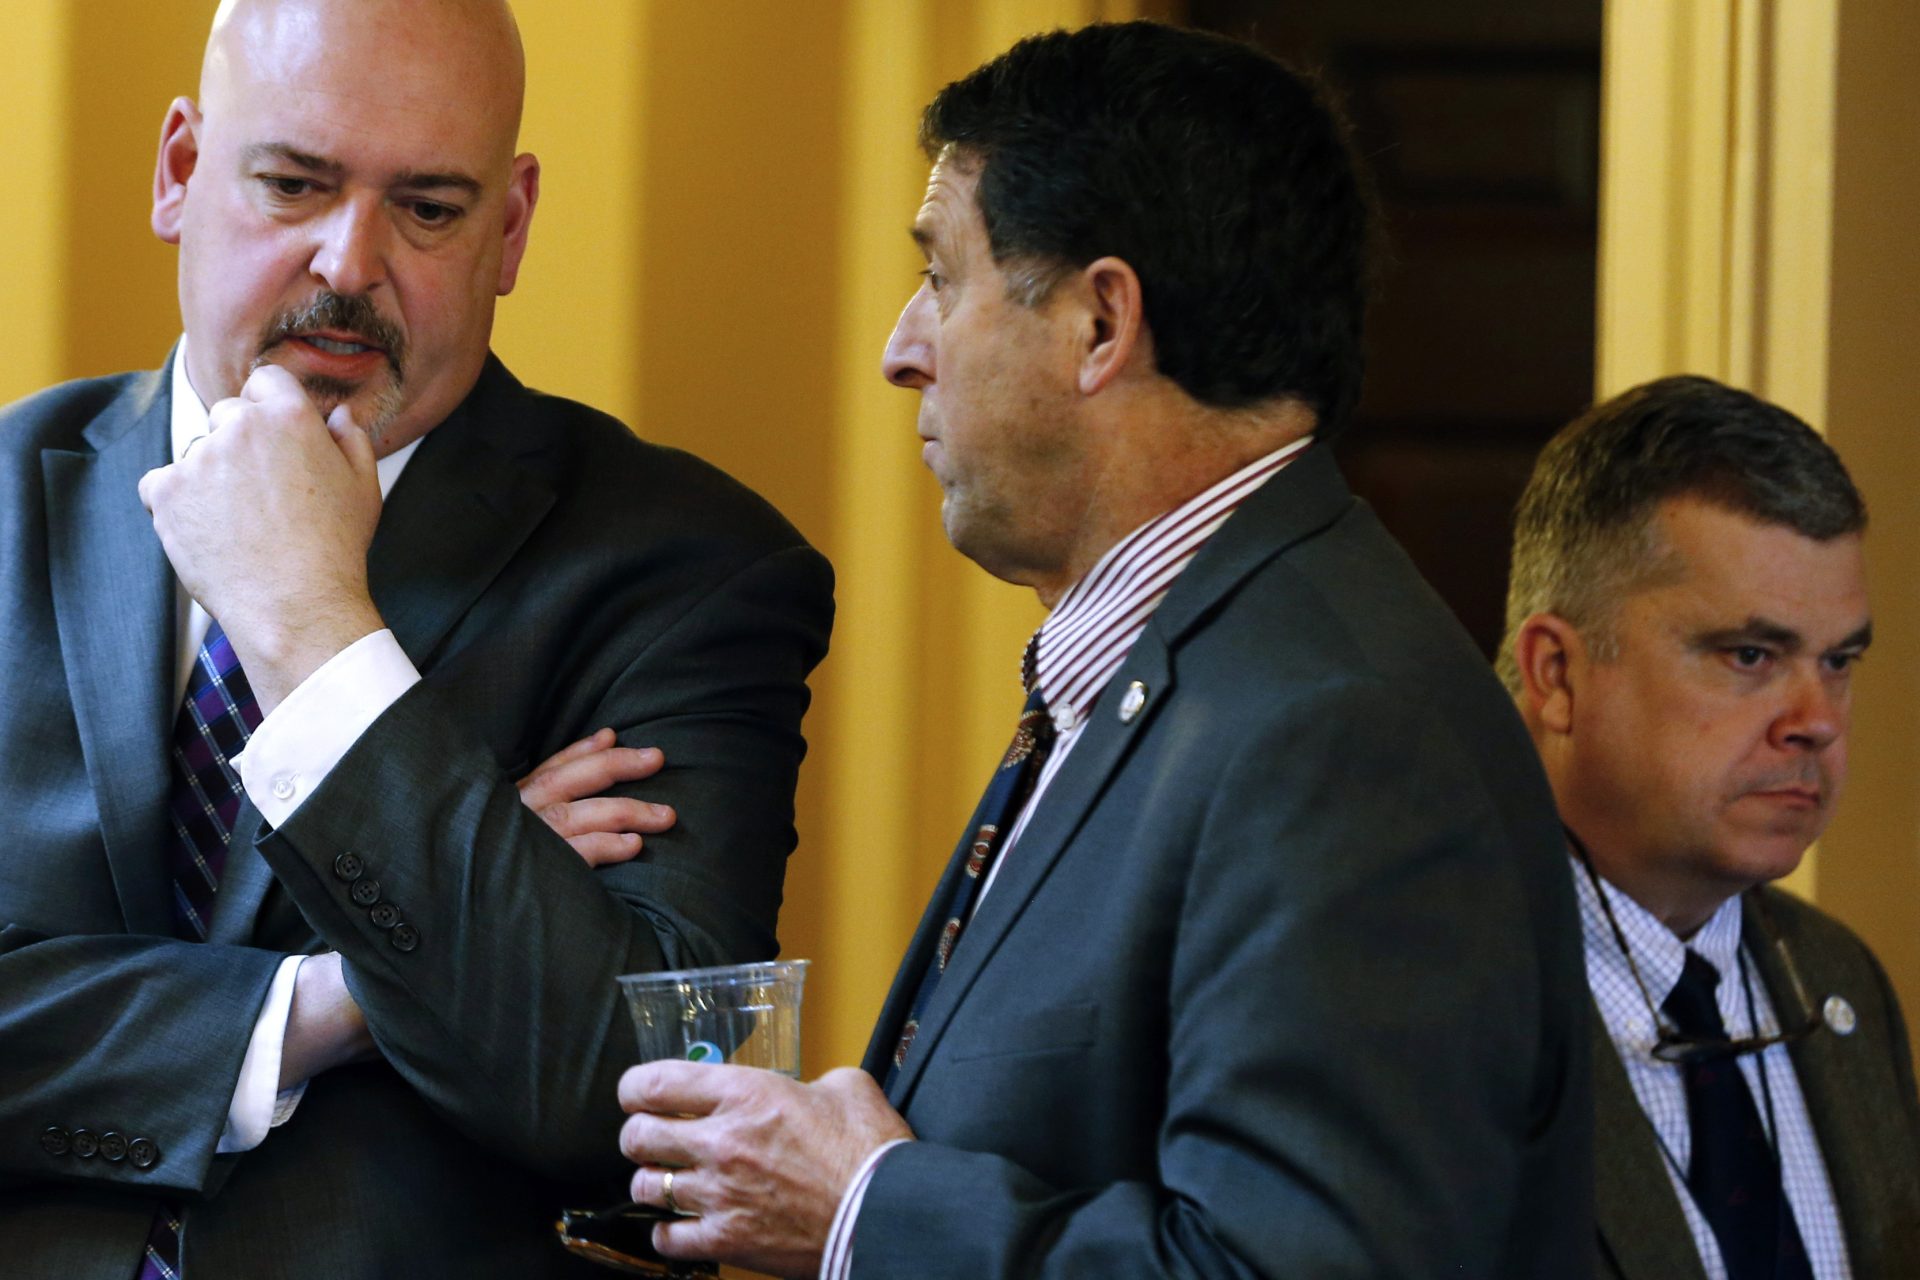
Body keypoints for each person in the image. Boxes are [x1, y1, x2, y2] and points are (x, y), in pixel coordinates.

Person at [615, 22, 1590, 1278]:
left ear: (1099, 322)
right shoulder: (1199, 660)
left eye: (944, 275)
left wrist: (864, 1207)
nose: (901, 347)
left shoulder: (1338, 729)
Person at [0, 0, 831, 1275]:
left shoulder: (692, 571)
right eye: (292, 184)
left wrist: (316, 633)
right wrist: (334, 997)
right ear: (179, 169)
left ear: (511, 227)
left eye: (430, 208)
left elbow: (638, 1099)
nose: (348, 262)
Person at [1501, 375, 1920, 1279]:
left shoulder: (1840, 984)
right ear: (1558, 675)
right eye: (1750, 655)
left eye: (1839, 660)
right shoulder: (1421, 991)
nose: (1817, 718)